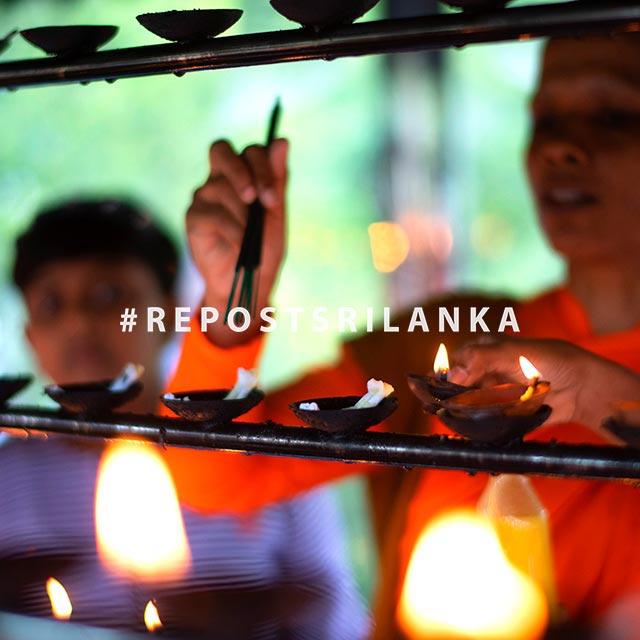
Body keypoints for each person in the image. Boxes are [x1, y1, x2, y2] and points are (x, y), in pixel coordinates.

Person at [166, 31, 640, 638]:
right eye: (544, 117)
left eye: (612, 114)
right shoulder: (464, 341)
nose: (559, 148)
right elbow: (215, 477)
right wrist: (235, 300)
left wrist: (601, 396)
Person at [2, 199, 369, 638]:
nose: (79, 320)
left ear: (171, 313)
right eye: (50, 304)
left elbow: (331, 607)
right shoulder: (11, 477)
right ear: (29, 336)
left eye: (108, 295)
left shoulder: (262, 449)